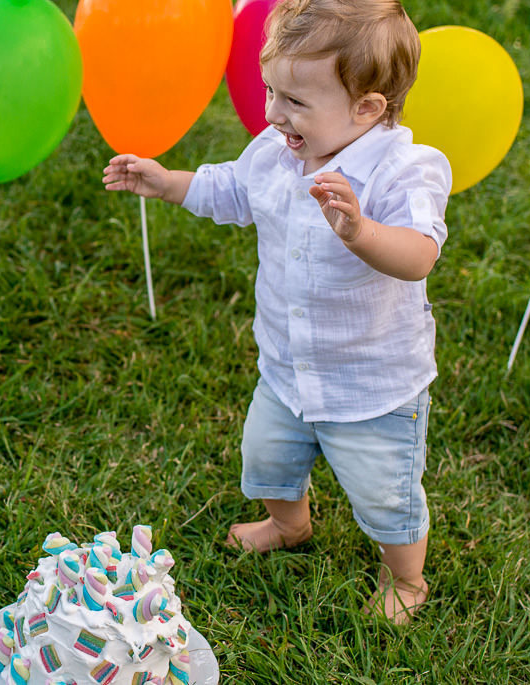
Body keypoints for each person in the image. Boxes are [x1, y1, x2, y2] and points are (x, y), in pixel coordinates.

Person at [103, 0, 452, 624]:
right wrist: (169, 183)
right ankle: (287, 523)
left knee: (385, 496)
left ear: (367, 108)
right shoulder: (277, 149)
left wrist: (360, 232)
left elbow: (419, 255)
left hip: (372, 386)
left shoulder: (405, 169)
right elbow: (231, 189)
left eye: (294, 102)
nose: (272, 113)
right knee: (266, 460)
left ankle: (405, 578)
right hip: (287, 369)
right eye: (271, 90)